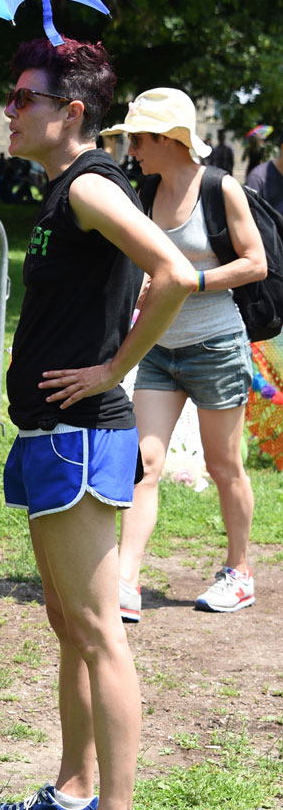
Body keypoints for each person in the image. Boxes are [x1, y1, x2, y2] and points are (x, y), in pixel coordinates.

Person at [0, 40, 196, 810]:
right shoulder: (63, 191)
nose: (10, 108)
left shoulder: (93, 183)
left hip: (80, 439)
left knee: (100, 631)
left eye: (22, 95)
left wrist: (115, 367)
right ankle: (74, 789)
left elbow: (174, 272)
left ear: (71, 112)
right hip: (50, 436)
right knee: (69, 624)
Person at [103, 89, 267, 617]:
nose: (133, 149)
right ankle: (126, 581)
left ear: (168, 139)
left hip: (215, 347)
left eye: (139, 138)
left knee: (223, 466)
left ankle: (239, 573)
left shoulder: (222, 188)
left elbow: (254, 263)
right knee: (144, 464)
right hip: (157, 347)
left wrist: (188, 280)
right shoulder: (143, 191)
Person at [245, 132, 283, 211]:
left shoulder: (249, 149)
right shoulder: (258, 178)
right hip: (257, 171)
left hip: (251, 168)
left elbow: (244, 159)